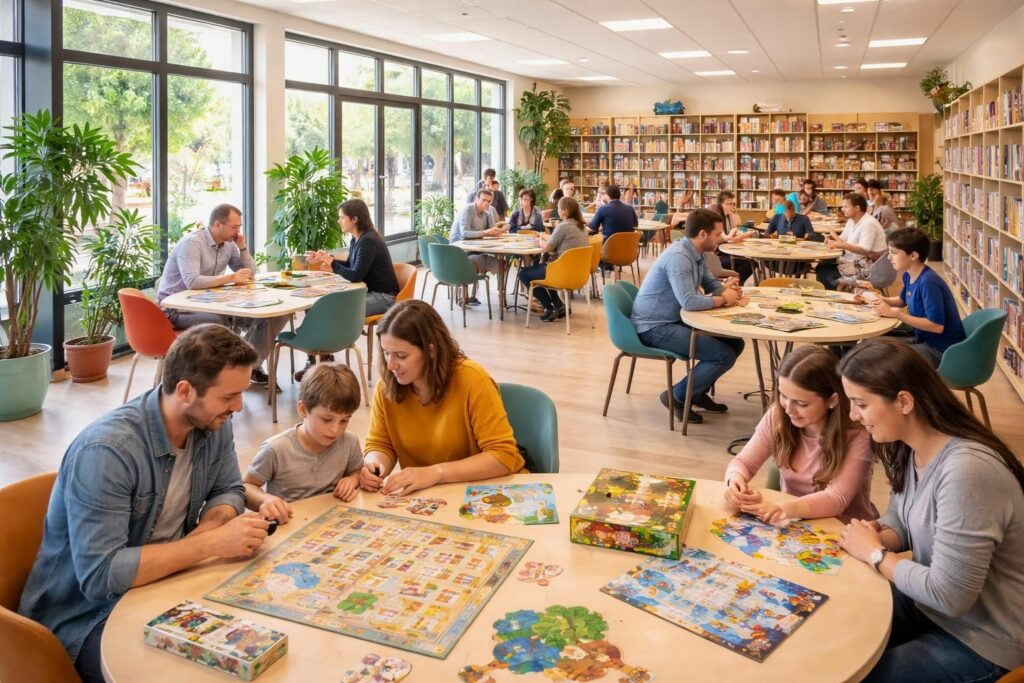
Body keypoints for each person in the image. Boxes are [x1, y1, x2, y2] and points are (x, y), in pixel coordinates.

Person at [18, 325, 271, 682]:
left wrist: (212, 525)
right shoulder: (107, 453)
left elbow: (229, 489)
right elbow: (101, 576)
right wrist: (206, 545)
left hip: (166, 584)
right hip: (87, 616)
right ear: (185, 391)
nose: (239, 406)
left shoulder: (213, 422)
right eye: (229, 396)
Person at [836, 339, 1024, 682]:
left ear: (904, 401)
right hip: (930, 607)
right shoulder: (912, 447)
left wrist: (876, 554)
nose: (852, 415)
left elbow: (950, 596)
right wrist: (875, 534)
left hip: (984, 638)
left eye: (861, 404)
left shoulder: (967, 471)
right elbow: (902, 520)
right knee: (836, 636)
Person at [358, 300, 524, 496]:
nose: (391, 365)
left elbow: (503, 456)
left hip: (484, 492)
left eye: (401, 356)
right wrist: (374, 465)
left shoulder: (472, 379)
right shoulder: (386, 387)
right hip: (429, 497)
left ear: (431, 350)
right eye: (386, 354)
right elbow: (380, 444)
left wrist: (437, 473)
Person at [723, 345, 875, 524]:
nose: (788, 409)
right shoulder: (778, 415)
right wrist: (735, 481)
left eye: (801, 404)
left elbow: (837, 499)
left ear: (832, 400)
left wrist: (784, 508)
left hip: (844, 528)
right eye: (783, 395)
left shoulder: (859, 434)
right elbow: (743, 462)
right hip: (793, 521)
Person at [631, 208, 746, 424]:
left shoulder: (697, 253)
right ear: (703, 234)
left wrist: (726, 290)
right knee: (723, 355)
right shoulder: (679, 257)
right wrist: (723, 299)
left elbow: (709, 284)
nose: (721, 237)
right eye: (717, 234)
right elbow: (689, 301)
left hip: (673, 319)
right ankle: (676, 396)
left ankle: (695, 391)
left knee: (735, 344)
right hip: (654, 326)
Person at [156, 203, 289, 387]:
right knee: (218, 321)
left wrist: (242, 248)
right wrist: (231, 277)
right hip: (177, 308)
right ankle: (223, 376)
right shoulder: (192, 243)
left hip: (212, 302)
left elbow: (249, 273)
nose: (237, 231)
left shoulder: (229, 245)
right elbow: (192, 282)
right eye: (234, 227)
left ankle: (250, 366)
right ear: (218, 224)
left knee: (274, 316)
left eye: (239, 227)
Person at [244, 363, 365, 522]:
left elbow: (358, 471)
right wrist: (265, 500)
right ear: (303, 409)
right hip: (290, 524)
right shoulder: (276, 449)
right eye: (327, 419)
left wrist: (353, 479)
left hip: (335, 522)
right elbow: (246, 487)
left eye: (344, 420)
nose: (335, 430)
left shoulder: (350, 442)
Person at [301, 198, 400, 380]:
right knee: (319, 307)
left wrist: (331, 262)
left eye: (342, 218)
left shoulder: (368, 241)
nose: (339, 221)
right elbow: (352, 265)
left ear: (354, 219)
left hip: (385, 297)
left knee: (326, 310)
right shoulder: (358, 239)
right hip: (369, 292)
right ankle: (319, 358)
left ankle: (321, 357)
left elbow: (355, 275)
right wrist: (327, 258)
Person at [856, 227, 965, 367]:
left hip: (940, 350)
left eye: (893, 253)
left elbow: (936, 326)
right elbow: (902, 301)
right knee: (867, 344)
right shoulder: (909, 274)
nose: (889, 258)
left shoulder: (928, 282)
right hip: (922, 338)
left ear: (913, 256)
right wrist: (878, 298)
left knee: (877, 355)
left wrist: (897, 315)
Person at [518, 196, 591, 322]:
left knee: (524, 273)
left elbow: (547, 248)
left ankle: (549, 307)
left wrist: (540, 241)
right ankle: (558, 306)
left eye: (558, 208)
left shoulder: (563, 226)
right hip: (578, 273)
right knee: (543, 272)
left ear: (564, 211)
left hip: (560, 271)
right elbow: (562, 242)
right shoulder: (582, 227)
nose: (557, 210)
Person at [817, 193, 886, 290]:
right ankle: (835, 293)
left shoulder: (868, 223)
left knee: (825, 271)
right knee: (822, 266)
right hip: (854, 261)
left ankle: (836, 295)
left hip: (868, 267)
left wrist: (842, 245)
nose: (842, 209)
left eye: (846, 206)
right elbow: (843, 239)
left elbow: (865, 249)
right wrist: (831, 239)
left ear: (857, 208)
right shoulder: (851, 221)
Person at [450, 188, 507, 278]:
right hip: (460, 251)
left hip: (474, 248)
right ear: (476, 199)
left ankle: (501, 291)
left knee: (502, 263)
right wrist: (486, 232)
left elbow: (491, 230)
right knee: (499, 263)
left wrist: (499, 231)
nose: (486, 203)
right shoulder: (467, 210)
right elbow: (464, 233)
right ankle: (469, 278)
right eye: (484, 200)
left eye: (489, 201)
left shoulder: (485, 212)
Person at [710, 190, 755, 285]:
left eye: (732, 204)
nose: (731, 206)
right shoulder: (716, 215)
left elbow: (730, 238)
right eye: (728, 204)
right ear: (720, 204)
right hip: (716, 255)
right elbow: (724, 238)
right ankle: (736, 284)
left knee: (751, 262)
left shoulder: (728, 216)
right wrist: (742, 236)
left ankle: (735, 283)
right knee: (749, 264)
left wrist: (739, 236)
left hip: (724, 250)